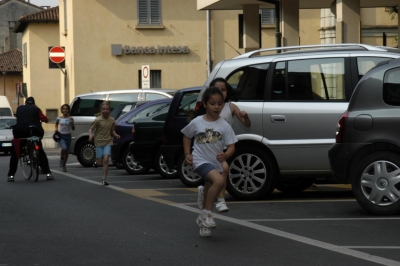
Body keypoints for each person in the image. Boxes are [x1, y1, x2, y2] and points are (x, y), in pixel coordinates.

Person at [182, 87, 237, 237]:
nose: (216, 107)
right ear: (205, 104)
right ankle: (206, 214)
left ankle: (202, 221)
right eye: (213, 103)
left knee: (210, 188)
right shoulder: (197, 122)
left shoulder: (224, 125)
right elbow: (186, 136)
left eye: (220, 104)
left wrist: (226, 155)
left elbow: (232, 146)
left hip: (216, 163)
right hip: (200, 160)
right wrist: (187, 153)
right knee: (219, 181)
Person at [197, 78, 251, 213]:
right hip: (208, 148)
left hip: (223, 148)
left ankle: (204, 196)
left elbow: (246, 124)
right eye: (217, 89)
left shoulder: (230, 107)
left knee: (212, 180)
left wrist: (245, 116)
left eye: (223, 89)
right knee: (223, 169)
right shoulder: (210, 109)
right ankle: (220, 200)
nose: (221, 92)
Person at [7, 97, 54, 181]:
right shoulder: (36, 109)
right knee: (41, 152)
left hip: (21, 132)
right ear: (33, 103)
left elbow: (18, 118)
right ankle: (48, 173)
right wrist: (46, 120)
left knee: (16, 153)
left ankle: (11, 175)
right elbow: (44, 118)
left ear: (25, 103)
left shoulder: (19, 108)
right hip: (35, 131)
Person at [89, 101, 120, 186]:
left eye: (107, 109)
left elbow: (112, 130)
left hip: (108, 141)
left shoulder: (112, 120)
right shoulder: (98, 119)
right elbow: (91, 129)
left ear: (110, 110)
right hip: (98, 142)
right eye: (103, 109)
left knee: (106, 160)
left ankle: (104, 179)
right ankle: (96, 162)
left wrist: (115, 135)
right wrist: (90, 135)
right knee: (100, 163)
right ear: (101, 110)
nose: (105, 111)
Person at [55, 104, 75, 172]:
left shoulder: (70, 118)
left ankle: (64, 165)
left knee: (67, 153)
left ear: (68, 110)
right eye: (63, 109)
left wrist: (72, 123)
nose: (65, 110)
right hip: (61, 136)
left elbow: (73, 128)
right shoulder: (59, 118)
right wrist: (56, 129)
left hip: (68, 136)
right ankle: (61, 158)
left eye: (66, 109)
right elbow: (56, 124)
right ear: (62, 110)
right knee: (64, 148)